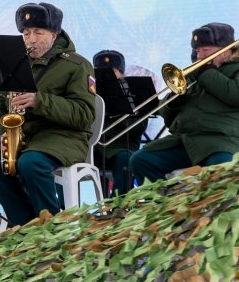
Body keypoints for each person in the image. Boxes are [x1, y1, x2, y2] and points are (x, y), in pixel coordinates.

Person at [0, 2, 95, 226]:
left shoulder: (77, 65)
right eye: (26, 33)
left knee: (31, 162)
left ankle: (50, 225)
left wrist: (39, 101)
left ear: (54, 34)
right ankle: (24, 222)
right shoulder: (13, 64)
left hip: (63, 137)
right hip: (28, 137)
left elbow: (84, 114)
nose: (30, 39)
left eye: (38, 33)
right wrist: (6, 135)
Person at [130, 22, 238, 183]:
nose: (200, 56)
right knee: (140, 160)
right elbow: (166, 116)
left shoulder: (231, 69)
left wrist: (206, 73)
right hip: (187, 141)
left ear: (225, 51)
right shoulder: (195, 73)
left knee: (220, 175)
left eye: (206, 50)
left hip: (222, 141)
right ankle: (166, 205)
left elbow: (235, 94)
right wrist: (175, 101)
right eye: (197, 50)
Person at [93, 49, 147, 195]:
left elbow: (138, 128)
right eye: (101, 73)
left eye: (112, 72)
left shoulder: (135, 95)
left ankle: (118, 205)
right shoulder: (90, 95)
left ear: (122, 74)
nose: (107, 77)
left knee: (126, 159)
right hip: (94, 149)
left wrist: (118, 106)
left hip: (120, 148)